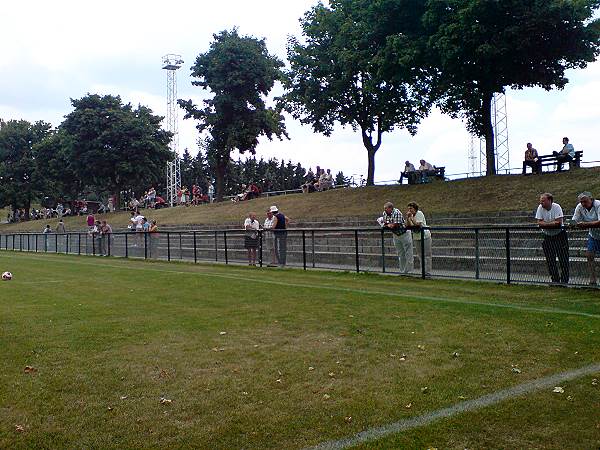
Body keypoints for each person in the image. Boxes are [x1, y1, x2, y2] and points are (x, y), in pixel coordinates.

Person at [535, 193, 569, 284]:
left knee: (563, 259)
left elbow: (558, 223)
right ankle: (555, 280)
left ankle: (564, 281)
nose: (541, 202)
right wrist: (551, 224)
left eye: (543, 200)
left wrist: (545, 224)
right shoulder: (540, 208)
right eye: (540, 201)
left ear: (550, 200)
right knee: (550, 260)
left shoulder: (557, 207)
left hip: (559, 235)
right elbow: (539, 222)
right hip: (547, 236)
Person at [571, 192, 600, 286]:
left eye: (585, 201)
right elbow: (575, 219)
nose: (583, 204)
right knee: (589, 255)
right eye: (581, 202)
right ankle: (592, 280)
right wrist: (573, 224)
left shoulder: (598, 205)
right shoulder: (580, 207)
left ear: (591, 199)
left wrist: (585, 224)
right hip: (593, 235)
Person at [380, 201, 413, 274]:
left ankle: (409, 271)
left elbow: (395, 225)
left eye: (386, 208)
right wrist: (388, 224)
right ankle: (402, 271)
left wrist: (388, 224)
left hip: (404, 233)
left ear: (391, 208)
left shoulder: (396, 212)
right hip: (396, 234)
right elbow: (385, 223)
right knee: (400, 253)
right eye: (384, 208)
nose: (385, 210)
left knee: (408, 253)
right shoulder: (385, 213)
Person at [405, 202, 432, 276]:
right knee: (420, 255)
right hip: (417, 237)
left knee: (426, 254)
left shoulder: (419, 213)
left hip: (425, 236)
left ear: (415, 208)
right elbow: (408, 225)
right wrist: (408, 218)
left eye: (411, 208)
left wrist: (412, 217)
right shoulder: (411, 216)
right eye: (408, 209)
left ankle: (427, 272)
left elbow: (417, 224)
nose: (409, 210)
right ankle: (423, 271)